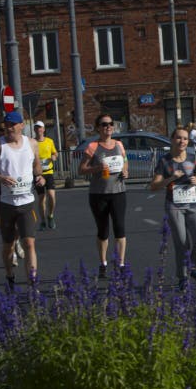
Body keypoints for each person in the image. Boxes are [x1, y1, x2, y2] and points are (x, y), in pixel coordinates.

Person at [0, 111, 45, 289]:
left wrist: (40, 177)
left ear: (21, 125)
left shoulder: (31, 144)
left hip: (26, 202)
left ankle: (33, 284)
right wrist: (1, 178)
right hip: (6, 204)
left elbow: (37, 166)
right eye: (6, 125)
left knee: (29, 243)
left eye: (12, 125)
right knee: (8, 245)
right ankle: (10, 275)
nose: (9, 128)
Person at [149, 127, 196, 289]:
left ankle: (194, 267)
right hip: (174, 205)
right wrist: (170, 178)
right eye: (178, 138)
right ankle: (183, 277)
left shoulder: (193, 158)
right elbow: (153, 186)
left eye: (185, 139)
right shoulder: (165, 161)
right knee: (182, 242)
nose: (182, 141)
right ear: (172, 140)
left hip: (192, 204)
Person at [78, 113, 129, 278]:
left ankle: (121, 264)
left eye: (110, 124)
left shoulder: (119, 145)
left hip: (119, 192)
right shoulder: (93, 147)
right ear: (98, 128)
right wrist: (96, 168)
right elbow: (81, 169)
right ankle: (103, 263)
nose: (108, 127)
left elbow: (125, 160)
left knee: (120, 228)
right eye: (104, 124)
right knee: (103, 230)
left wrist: (126, 170)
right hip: (99, 194)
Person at [33, 120, 58, 230]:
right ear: (34, 130)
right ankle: (43, 221)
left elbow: (55, 153)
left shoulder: (49, 141)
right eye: (36, 128)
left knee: (52, 196)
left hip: (49, 172)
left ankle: (50, 215)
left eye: (40, 127)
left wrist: (54, 157)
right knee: (41, 198)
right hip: (38, 174)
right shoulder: (32, 142)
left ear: (43, 129)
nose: (38, 129)